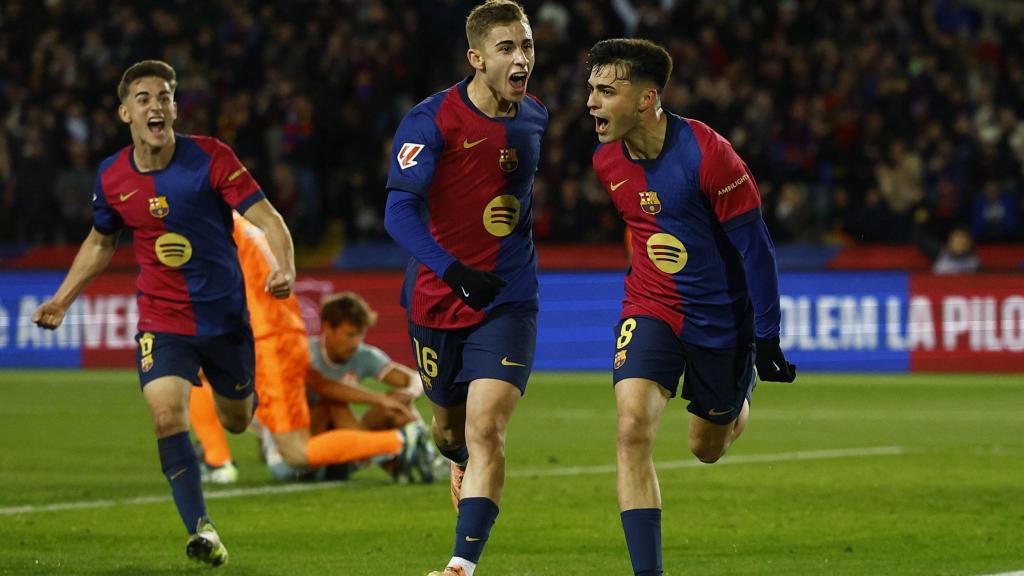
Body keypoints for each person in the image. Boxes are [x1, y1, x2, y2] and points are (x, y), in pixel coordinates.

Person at [31, 59, 296, 567]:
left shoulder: (211, 158)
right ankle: (203, 530)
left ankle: (241, 401)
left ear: (175, 107)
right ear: (125, 112)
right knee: (166, 414)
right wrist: (62, 300)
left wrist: (284, 267)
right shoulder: (111, 176)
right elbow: (100, 242)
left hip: (224, 320)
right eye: (146, 98)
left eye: (166, 96)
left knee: (238, 422)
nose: (158, 106)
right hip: (162, 318)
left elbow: (267, 217)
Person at [584, 39, 797, 576]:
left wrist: (767, 338)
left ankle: (736, 394)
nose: (591, 102)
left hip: (721, 319)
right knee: (632, 425)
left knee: (707, 446)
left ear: (646, 98)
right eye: (591, 89)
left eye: (606, 91)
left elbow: (756, 249)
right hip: (650, 305)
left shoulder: (708, 153)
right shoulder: (605, 158)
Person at [382, 2, 547, 574]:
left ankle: (461, 563)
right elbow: (398, 213)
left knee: (487, 427)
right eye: (507, 48)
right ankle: (455, 460)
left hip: (509, 297)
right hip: (437, 297)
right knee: (451, 429)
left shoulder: (535, 117)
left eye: (526, 46)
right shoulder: (430, 122)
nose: (522, 58)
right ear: (477, 58)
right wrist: (453, 271)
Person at [188, 216, 433, 484]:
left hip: (270, 341)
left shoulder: (212, 221)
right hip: (276, 338)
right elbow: (322, 384)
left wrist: (403, 394)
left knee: (298, 451)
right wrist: (378, 399)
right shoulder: (247, 226)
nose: (355, 342)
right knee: (199, 374)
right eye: (350, 334)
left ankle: (397, 443)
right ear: (328, 327)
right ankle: (217, 460)